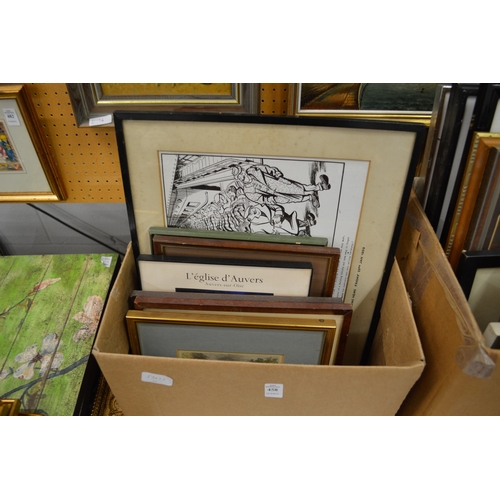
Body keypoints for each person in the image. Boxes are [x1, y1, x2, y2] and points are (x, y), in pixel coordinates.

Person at [232, 163, 330, 208]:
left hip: (277, 183)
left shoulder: (252, 170)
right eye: (238, 177)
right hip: (274, 196)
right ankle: (310, 198)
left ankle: (320, 187)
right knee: (292, 198)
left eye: (241, 173)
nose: (241, 176)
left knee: (296, 187)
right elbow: (260, 199)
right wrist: (270, 199)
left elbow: (266, 169)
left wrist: (275, 172)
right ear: (238, 179)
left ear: (243, 170)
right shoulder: (247, 191)